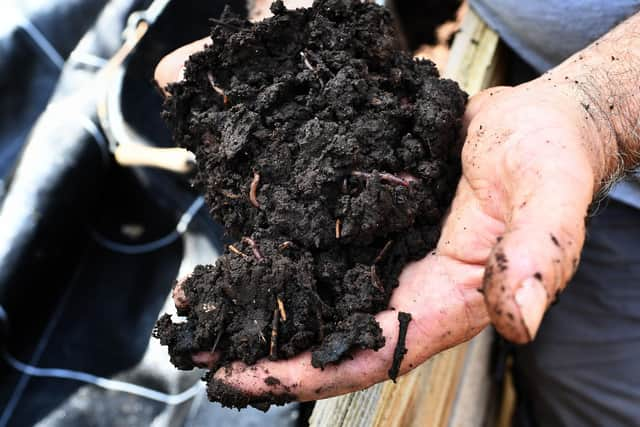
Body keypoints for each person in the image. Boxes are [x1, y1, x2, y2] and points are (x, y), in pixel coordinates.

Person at [154, 1, 640, 425]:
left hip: (601, 116)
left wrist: (598, 111)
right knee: (564, 373)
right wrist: (303, 28)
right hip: (538, 79)